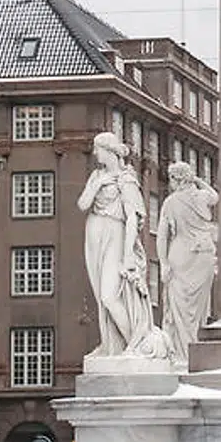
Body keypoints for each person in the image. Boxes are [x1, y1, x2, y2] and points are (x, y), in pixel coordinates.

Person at [78, 131, 169, 360]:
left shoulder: (126, 180)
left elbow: (132, 219)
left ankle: (135, 344)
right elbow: (82, 204)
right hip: (94, 232)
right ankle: (111, 344)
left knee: (110, 295)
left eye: (98, 148)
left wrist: (128, 255)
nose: (95, 152)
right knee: (101, 297)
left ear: (109, 150)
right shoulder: (97, 176)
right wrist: (98, 183)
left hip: (115, 233)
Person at [156, 161, 219, 366]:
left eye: (172, 179)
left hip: (180, 254)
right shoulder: (201, 196)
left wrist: (164, 263)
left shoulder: (170, 202)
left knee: (180, 307)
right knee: (199, 309)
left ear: (177, 179)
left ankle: (182, 355)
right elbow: (215, 196)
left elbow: (161, 237)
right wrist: (200, 181)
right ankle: (195, 350)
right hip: (203, 254)